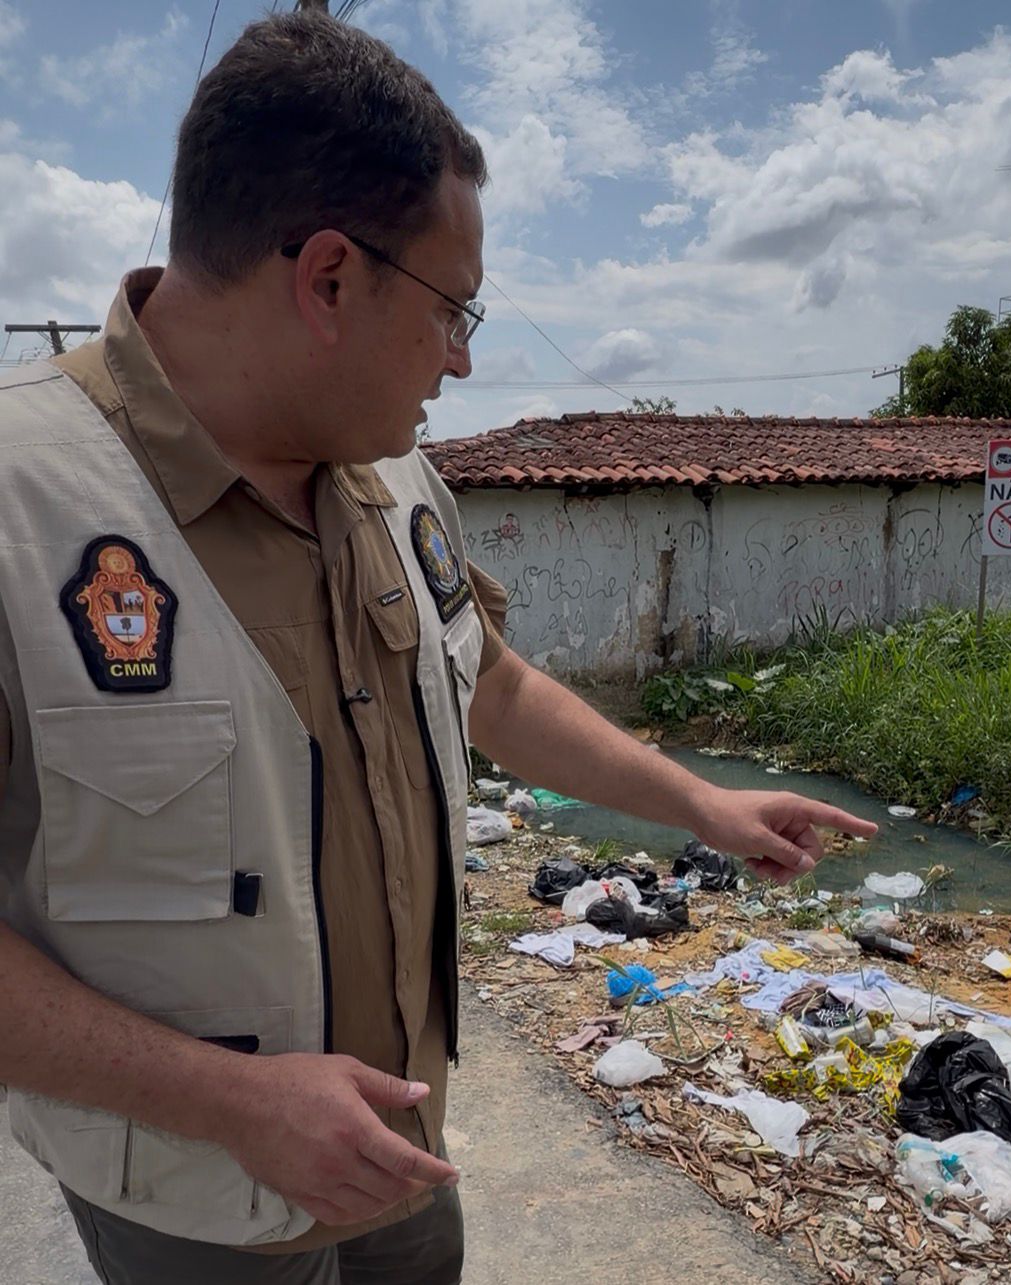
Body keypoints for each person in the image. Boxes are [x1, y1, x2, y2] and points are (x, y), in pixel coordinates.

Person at [0, 13, 874, 1284]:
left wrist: (704, 804)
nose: (462, 361)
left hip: (404, 1148)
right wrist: (230, 1101)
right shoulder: (22, 505)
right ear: (329, 279)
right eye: (453, 309)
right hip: (194, 1200)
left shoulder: (394, 479)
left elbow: (491, 686)